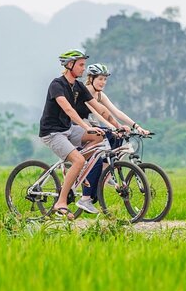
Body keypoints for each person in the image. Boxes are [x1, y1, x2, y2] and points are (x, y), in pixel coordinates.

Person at [38, 49, 123, 219]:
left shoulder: (78, 86)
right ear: (70, 65)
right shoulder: (57, 85)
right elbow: (68, 109)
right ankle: (60, 202)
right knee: (78, 159)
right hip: (52, 132)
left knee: (100, 136)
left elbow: (100, 109)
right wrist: (86, 127)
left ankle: (82, 169)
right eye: (81, 65)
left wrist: (118, 126)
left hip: (68, 130)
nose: (84, 69)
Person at [80, 62, 150, 202]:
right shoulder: (85, 91)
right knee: (111, 134)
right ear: (91, 78)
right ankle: (101, 172)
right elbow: (98, 114)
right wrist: (112, 127)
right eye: (100, 78)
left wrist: (137, 126)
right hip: (81, 126)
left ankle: (107, 171)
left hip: (95, 127)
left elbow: (116, 112)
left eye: (105, 79)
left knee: (118, 139)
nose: (103, 82)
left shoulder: (100, 95)